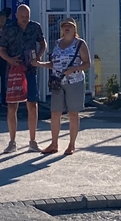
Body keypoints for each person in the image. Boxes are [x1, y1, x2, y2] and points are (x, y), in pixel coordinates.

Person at [33, 18, 91, 155]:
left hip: (74, 82)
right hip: (58, 82)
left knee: (73, 113)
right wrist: (40, 64)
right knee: (55, 112)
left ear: (74, 29)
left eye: (69, 26)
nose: (66, 28)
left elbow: (87, 63)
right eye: (64, 26)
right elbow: (54, 63)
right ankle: (54, 144)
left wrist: (74, 68)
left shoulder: (80, 44)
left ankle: (71, 144)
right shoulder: (57, 43)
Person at [0, 4, 46, 153]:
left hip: (30, 70)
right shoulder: (9, 28)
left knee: (32, 104)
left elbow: (42, 43)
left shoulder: (35, 27)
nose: (25, 20)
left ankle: (33, 141)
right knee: (12, 106)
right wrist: (10, 60)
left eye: (27, 17)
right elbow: (1, 50)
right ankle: (12, 141)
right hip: (13, 71)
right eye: (22, 17)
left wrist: (38, 57)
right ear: (17, 16)